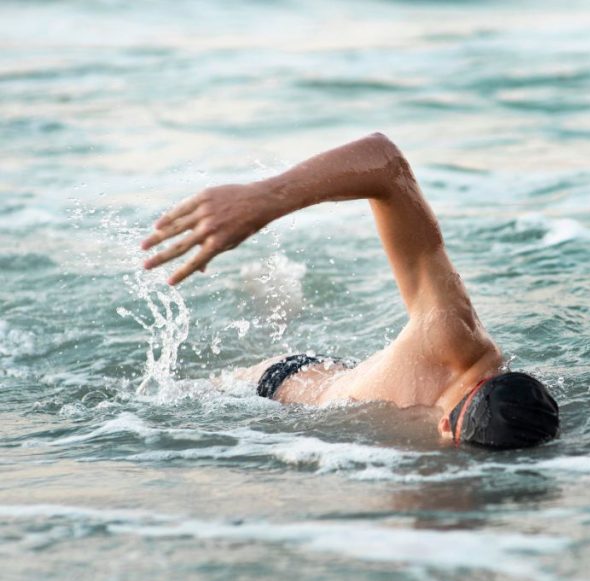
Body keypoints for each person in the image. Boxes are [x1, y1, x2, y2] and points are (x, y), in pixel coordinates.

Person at [140, 133, 559, 449]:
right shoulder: (453, 333)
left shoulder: (519, 415)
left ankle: (277, 297)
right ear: (446, 427)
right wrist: (265, 199)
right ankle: (268, 290)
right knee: (159, 405)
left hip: (354, 388)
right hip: (274, 389)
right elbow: (384, 160)